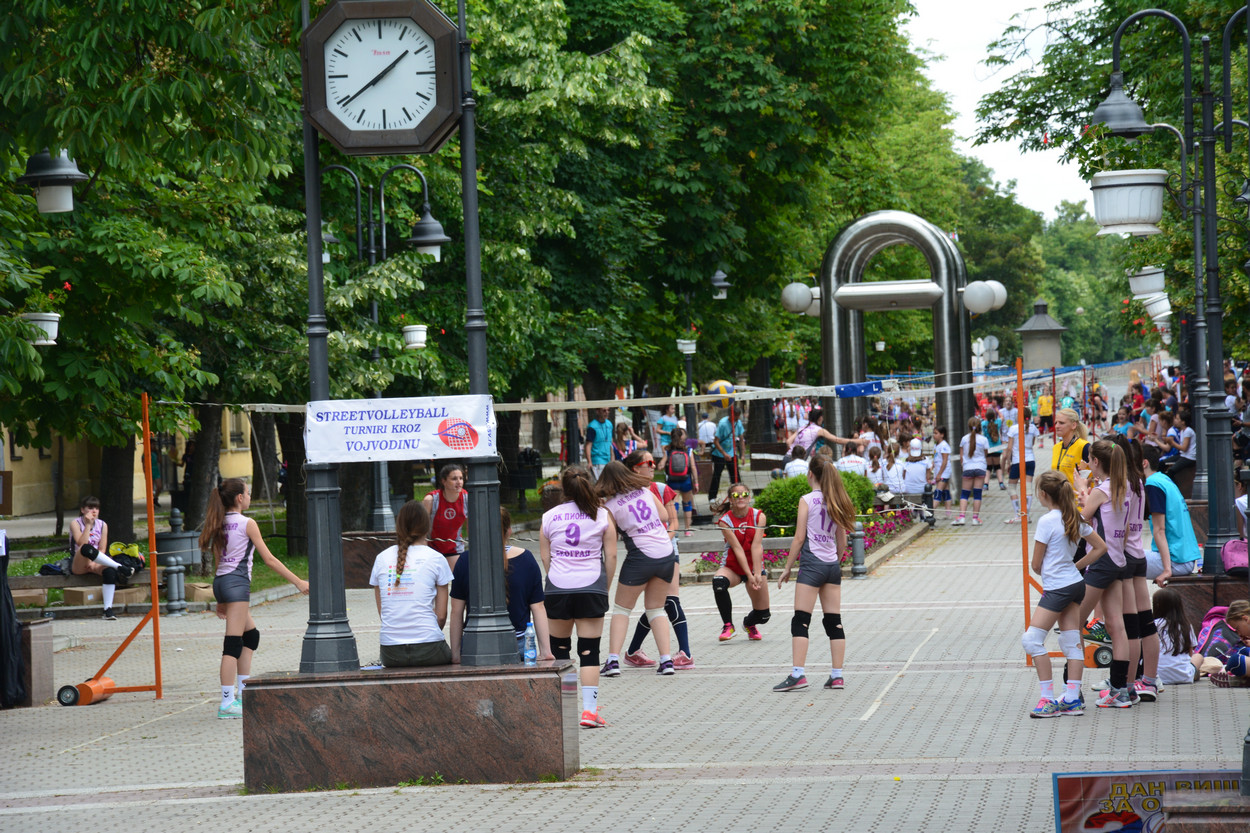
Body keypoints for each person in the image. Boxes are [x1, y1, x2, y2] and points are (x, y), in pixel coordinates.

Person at [199, 479, 309, 719]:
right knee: (232, 644)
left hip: (223, 583)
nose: (249, 496)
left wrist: (220, 598)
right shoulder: (247, 523)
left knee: (251, 636)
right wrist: (298, 582)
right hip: (236, 585)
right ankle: (227, 703)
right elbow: (269, 559)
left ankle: (244, 692)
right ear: (240, 498)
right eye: (248, 492)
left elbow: (219, 561)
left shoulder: (220, 522)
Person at [1022, 471, 1107, 717]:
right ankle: (1071, 698)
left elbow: (1036, 565)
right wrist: (1075, 566)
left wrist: (1056, 567)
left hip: (1058, 587)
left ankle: (1047, 699)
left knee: (1031, 640)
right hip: (1075, 584)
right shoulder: (1075, 517)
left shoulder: (1047, 521)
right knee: (1071, 642)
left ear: (1043, 494)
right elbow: (1100, 547)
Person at [540, 466, 617, 728]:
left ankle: (560, 713)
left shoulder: (549, 516)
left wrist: (557, 578)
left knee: (560, 652)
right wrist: (603, 588)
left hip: (558, 587)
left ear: (563, 488)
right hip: (590, 586)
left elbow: (546, 557)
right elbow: (612, 556)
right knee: (589, 652)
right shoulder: (602, 515)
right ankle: (589, 711)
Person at [773, 456, 857, 693]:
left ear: (810, 473)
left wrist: (788, 567)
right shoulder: (837, 499)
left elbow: (799, 538)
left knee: (800, 620)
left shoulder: (807, 500)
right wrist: (835, 562)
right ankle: (837, 676)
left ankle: (798, 674)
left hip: (811, 566)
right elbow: (842, 540)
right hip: (831, 566)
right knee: (834, 622)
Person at [597, 461, 678, 676]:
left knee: (622, 609)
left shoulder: (610, 507)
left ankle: (613, 662)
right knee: (656, 609)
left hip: (640, 556)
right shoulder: (644, 491)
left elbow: (609, 539)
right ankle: (667, 661)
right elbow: (664, 517)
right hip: (666, 554)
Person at [450, 506, 550, 663]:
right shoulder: (527, 559)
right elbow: (538, 607)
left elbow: (456, 611)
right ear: (509, 531)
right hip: (519, 645)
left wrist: (456, 653)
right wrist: (546, 651)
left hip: (475, 645)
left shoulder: (465, 561)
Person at [622, 449, 693, 669]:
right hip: (642, 553)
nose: (654, 466)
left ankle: (685, 653)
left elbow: (673, 522)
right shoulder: (625, 493)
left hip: (666, 549)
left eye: (654, 462)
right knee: (655, 605)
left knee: (669, 600)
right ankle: (633, 651)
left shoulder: (662, 489)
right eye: (649, 462)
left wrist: (665, 539)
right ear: (636, 468)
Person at [1075, 440, 1133, 708]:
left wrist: (1080, 491)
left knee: (1073, 622)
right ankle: (1121, 690)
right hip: (1119, 560)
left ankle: (1072, 689)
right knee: (1115, 625)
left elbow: (1081, 522)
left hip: (1102, 561)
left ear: (1096, 462)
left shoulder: (1101, 490)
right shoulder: (1125, 487)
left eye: (1089, 459)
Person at [370, 500, 454, 668]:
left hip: (390, 652)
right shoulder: (436, 558)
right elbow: (442, 616)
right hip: (430, 648)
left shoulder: (381, 558)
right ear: (426, 525)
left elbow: (383, 614)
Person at [1107, 434, 1158, 702]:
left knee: (1129, 626)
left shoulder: (1122, 482)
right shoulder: (1138, 478)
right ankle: (1147, 679)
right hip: (1139, 552)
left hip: (1126, 555)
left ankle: (1128, 684)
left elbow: (1122, 524)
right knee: (1144, 623)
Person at [713, 483, 771, 642]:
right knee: (718, 582)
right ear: (731, 499)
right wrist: (748, 575)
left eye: (744, 494)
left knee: (764, 615)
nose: (741, 498)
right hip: (733, 566)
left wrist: (757, 573)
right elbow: (737, 548)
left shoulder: (758, 516)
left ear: (749, 497)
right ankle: (728, 626)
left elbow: (756, 546)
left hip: (755, 565)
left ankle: (749, 624)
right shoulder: (725, 521)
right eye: (736, 495)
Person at [1141, 445, 1202, 581]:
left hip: (1176, 561)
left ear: (1144, 463)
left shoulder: (1152, 484)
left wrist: (1167, 570)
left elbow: (1159, 530)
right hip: (1183, 558)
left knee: (1117, 560)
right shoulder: (1164, 480)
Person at [69, 496, 134, 620]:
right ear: (83, 510)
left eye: (97, 508)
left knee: (109, 571)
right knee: (85, 548)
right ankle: (120, 567)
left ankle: (107, 610)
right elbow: (80, 543)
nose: (94, 511)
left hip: (96, 561)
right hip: (79, 561)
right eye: (90, 508)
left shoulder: (103, 525)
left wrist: (94, 563)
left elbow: (102, 549)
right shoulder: (75, 523)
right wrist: (88, 525)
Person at [423, 463, 468, 569]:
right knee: (435, 581)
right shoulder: (431, 500)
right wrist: (423, 552)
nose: (459, 482)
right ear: (443, 481)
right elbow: (421, 529)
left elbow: (471, 528)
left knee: (458, 576)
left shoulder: (467, 498)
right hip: (432, 547)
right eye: (454, 479)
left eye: (461, 478)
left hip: (454, 548)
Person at [1151, 588, 1197, 686]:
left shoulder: (1153, 625)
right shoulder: (1186, 625)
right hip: (1184, 676)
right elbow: (1190, 653)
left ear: (1157, 606)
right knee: (1199, 657)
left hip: (1156, 676)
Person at [1003, 407, 1040, 524]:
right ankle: (1026, 515)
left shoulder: (1014, 429)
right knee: (1028, 487)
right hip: (1030, 459)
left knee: (1012, 487)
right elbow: (1033, 443)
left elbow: (1009, 448)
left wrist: (1008, 462)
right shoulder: (1033, 428)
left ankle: (1018, 514)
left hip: (1018, 460)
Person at [662, 426, 699, 536]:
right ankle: (687, 529)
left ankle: (674, 529)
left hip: (672, 481)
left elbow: (661, 464)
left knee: (674, 504)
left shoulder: (667, 450)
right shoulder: (688, 450)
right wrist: (696, 482)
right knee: (687, 504)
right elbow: (693, 467)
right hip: (686, 480)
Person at [954, 417, 989, 526]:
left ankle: (962, 517)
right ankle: (975, 518)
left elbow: (961, 456)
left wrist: (963, 465)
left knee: (965, 494)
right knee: (977, 494)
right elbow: (986, 453)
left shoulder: (964, 439)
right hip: (980, 468)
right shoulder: (983, 440)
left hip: (968, 468)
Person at [786, 407, 850, 460]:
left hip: (787, 457)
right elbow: (837, 440)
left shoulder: (802, 427)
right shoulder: (819, 430)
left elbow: (788, 442)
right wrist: (857, 441)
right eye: (822, 416)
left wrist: (793, 454)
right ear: (820, 418)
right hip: (798, 461)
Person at [708, 411, 744, 503]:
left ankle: (738, 494)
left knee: (735, 475)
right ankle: (712, 496)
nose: (736, 419)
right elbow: (716, 441)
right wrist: (724, 454)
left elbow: (741, 440)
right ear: (731, 415)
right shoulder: (723, 424)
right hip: (719, 453)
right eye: (735, 417)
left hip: (732, 453)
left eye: (737, 417)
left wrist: (742, 455)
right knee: (717, 474)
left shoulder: (738, 423)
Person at [1051, 408, 1090, 487]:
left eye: (1061, 423)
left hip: (1076, 497)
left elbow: (1095, 476)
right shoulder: (1056, 447)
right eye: (1056, 423)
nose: (1057, 426)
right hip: (1059, 497)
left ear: (1073, 425)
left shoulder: (1085, 447)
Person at [583, 408, 614, 480]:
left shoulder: (609, 424)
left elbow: (611, 442)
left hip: (609, 460)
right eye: (604, 410)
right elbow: (588, 445)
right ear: (597, 411)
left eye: (608, 410)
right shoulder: (592, 426)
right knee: (600, 485)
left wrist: (613, 458)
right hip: (598, 461)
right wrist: (589, 462)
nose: (607, 412)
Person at [931, 425, 953, 519]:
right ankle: (948, 513)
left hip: (944, 472)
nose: (934, 435)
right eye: (934, 433)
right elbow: (936, 458)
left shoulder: (944, 446)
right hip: (939, 471)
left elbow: (945, 460)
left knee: (938, 492)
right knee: (946, 492)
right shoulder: (936, 445)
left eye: (936, 433)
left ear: (942, 435)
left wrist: (940, 473)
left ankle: (930, 512)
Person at [983, 407, 1006, 490]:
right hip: (997, 448)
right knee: (997, 466)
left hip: (987, 448)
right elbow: (1002, 417)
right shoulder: (998, 422)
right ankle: (1001, 483)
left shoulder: (983, 424)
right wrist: (997, 411)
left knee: (988, 467)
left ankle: (986, 484)